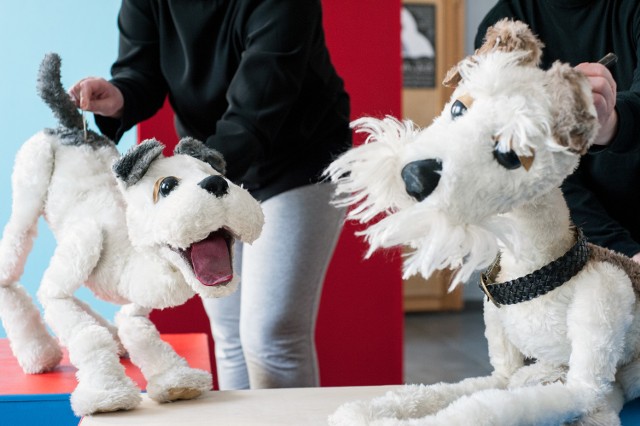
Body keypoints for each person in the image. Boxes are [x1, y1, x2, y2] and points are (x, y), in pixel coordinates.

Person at [69, 0, 350, 390]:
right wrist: (121, 95)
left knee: (272, 337)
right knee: (230, 335)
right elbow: (142, 70)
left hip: (295, 161)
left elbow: (258, 105)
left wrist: (192, 178)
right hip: (209, 169)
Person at [475, 0, 640, 261]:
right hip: (566, 236)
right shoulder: (505, 25)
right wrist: (624, 250)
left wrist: (609, 122)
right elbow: (530, 167)